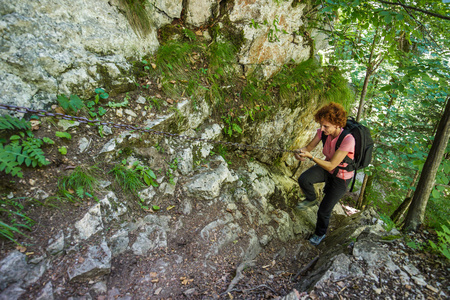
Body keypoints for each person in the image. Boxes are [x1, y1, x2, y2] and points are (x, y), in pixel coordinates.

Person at [294, 102, 355, 246]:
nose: (322, 129)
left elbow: (332, 165)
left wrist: (311, 157)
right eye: (321, 125)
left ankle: (319, 234)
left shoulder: (348, 140)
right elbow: (308, 147)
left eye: (325, 126)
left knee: (324, 211)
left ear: (336, 124)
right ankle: (311, 199)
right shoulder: (322, 132)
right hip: (327, 168)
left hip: (341, 177)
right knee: (304, 179)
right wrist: (300, 152)